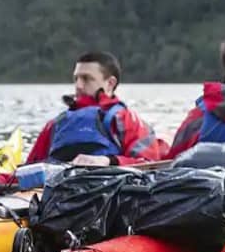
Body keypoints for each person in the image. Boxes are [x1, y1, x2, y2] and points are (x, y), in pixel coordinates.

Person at [22, 51, 167, 167]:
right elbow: (27, 169)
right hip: (61, 192)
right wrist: (0, 179)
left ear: (110, 83)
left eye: (86, 78)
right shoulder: (55, 124)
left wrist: (109, 161)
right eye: (76, 78)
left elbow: (150, 164)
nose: (78, 85)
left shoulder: (126, 119)